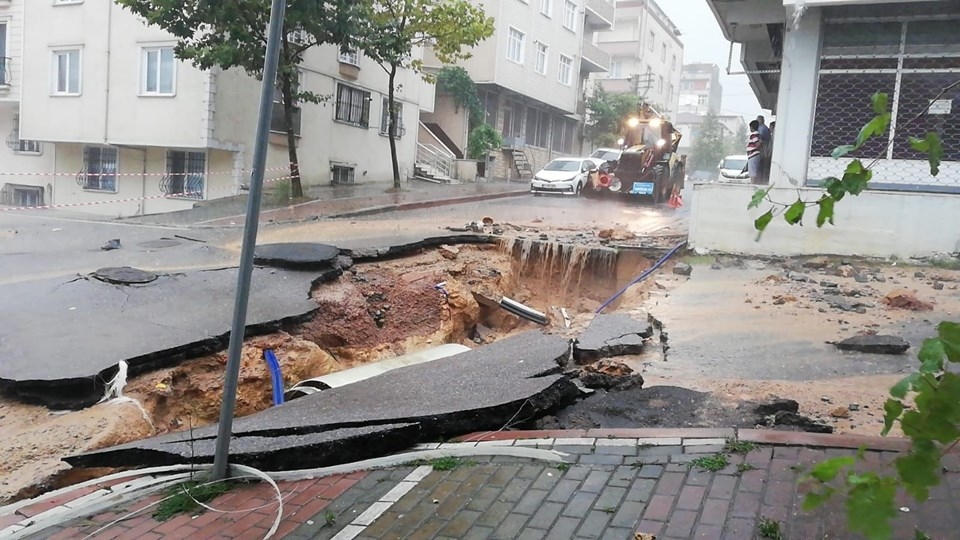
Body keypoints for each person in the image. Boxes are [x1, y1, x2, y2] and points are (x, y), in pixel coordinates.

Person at [747, 120, 763, 184]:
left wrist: (754, 149)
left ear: (752, 128)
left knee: (753, 173)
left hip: (753, 155)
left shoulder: (753, 135)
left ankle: (753, 185)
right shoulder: (758, 134)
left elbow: (758, 144)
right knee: (755, 172)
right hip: (755, 155)